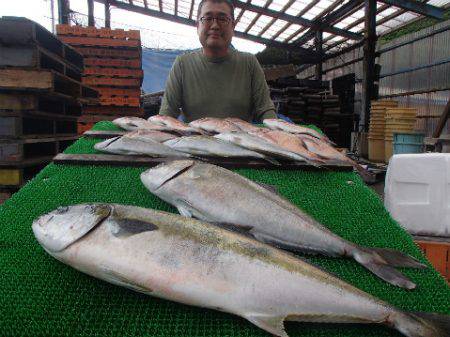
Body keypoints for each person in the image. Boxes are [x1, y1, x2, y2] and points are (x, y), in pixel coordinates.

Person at [159, 0, 277, 123]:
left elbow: (265, 111)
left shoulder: (249, 63)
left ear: (233, 26)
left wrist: (278, 136)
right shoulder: (182, 64)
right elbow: (167, 115)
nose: (215, 25)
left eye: (222, 19)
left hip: (240, 140)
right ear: (198, 26)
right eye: (208, 18)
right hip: (194, 141)